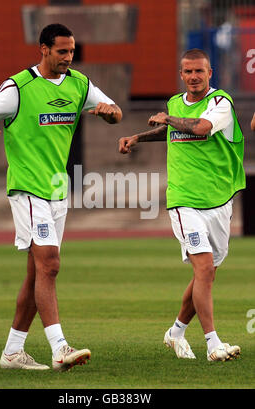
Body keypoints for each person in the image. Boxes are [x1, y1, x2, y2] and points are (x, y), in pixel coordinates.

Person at [0, 23, 122, 371]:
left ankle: (12, 352)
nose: (68, 57)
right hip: (28, 188)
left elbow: (115, 111)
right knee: (50, 265)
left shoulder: (79, 84)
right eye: (61, 52)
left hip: (57, 191)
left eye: (71, 52)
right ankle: (59, 347)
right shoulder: (18, 87)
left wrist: (110, 114)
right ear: (43, 49)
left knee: (37, 274)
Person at [119, 48, 245, 362]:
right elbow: (172, 128)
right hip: (183, 200)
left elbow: (200, 128)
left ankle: (175, 332)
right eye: (187, 71)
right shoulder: (175, 104)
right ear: (181, 74)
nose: (193, 77)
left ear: (209, 73)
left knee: (207, 274)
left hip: (217, 199)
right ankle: (213, 344)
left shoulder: (221, 103)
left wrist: (169, 118)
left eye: (199, 71)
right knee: (203, 269)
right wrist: (139, 137)